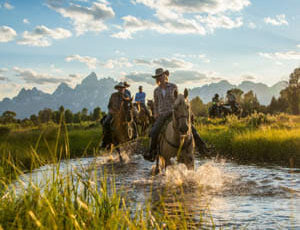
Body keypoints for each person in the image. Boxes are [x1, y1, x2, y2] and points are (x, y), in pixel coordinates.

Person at [143, 68, 209, 162]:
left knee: (191, 128)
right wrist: (156, 113)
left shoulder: (173, 86)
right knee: (154, 131)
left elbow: (178, 100)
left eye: (161, 75)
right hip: (162, 114)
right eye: (158, 77)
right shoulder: (156, 90)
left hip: (174, 112)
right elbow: (156, 104)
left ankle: (203, 148)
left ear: (165, 76)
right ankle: (152, 152)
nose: (160, 78)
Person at [101, 82, 127, 149]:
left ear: (124, 89)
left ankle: (132, 135)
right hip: (112, 113)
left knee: (128, 121)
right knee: (105, 123)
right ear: (117, 88)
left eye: (122, 88)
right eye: (119, 88)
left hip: (122, 114)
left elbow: (127, 107)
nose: (121, 89)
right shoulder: (113, 95)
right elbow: (109, 105)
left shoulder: (126, 96)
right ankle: (105, 141)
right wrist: (111, 111)